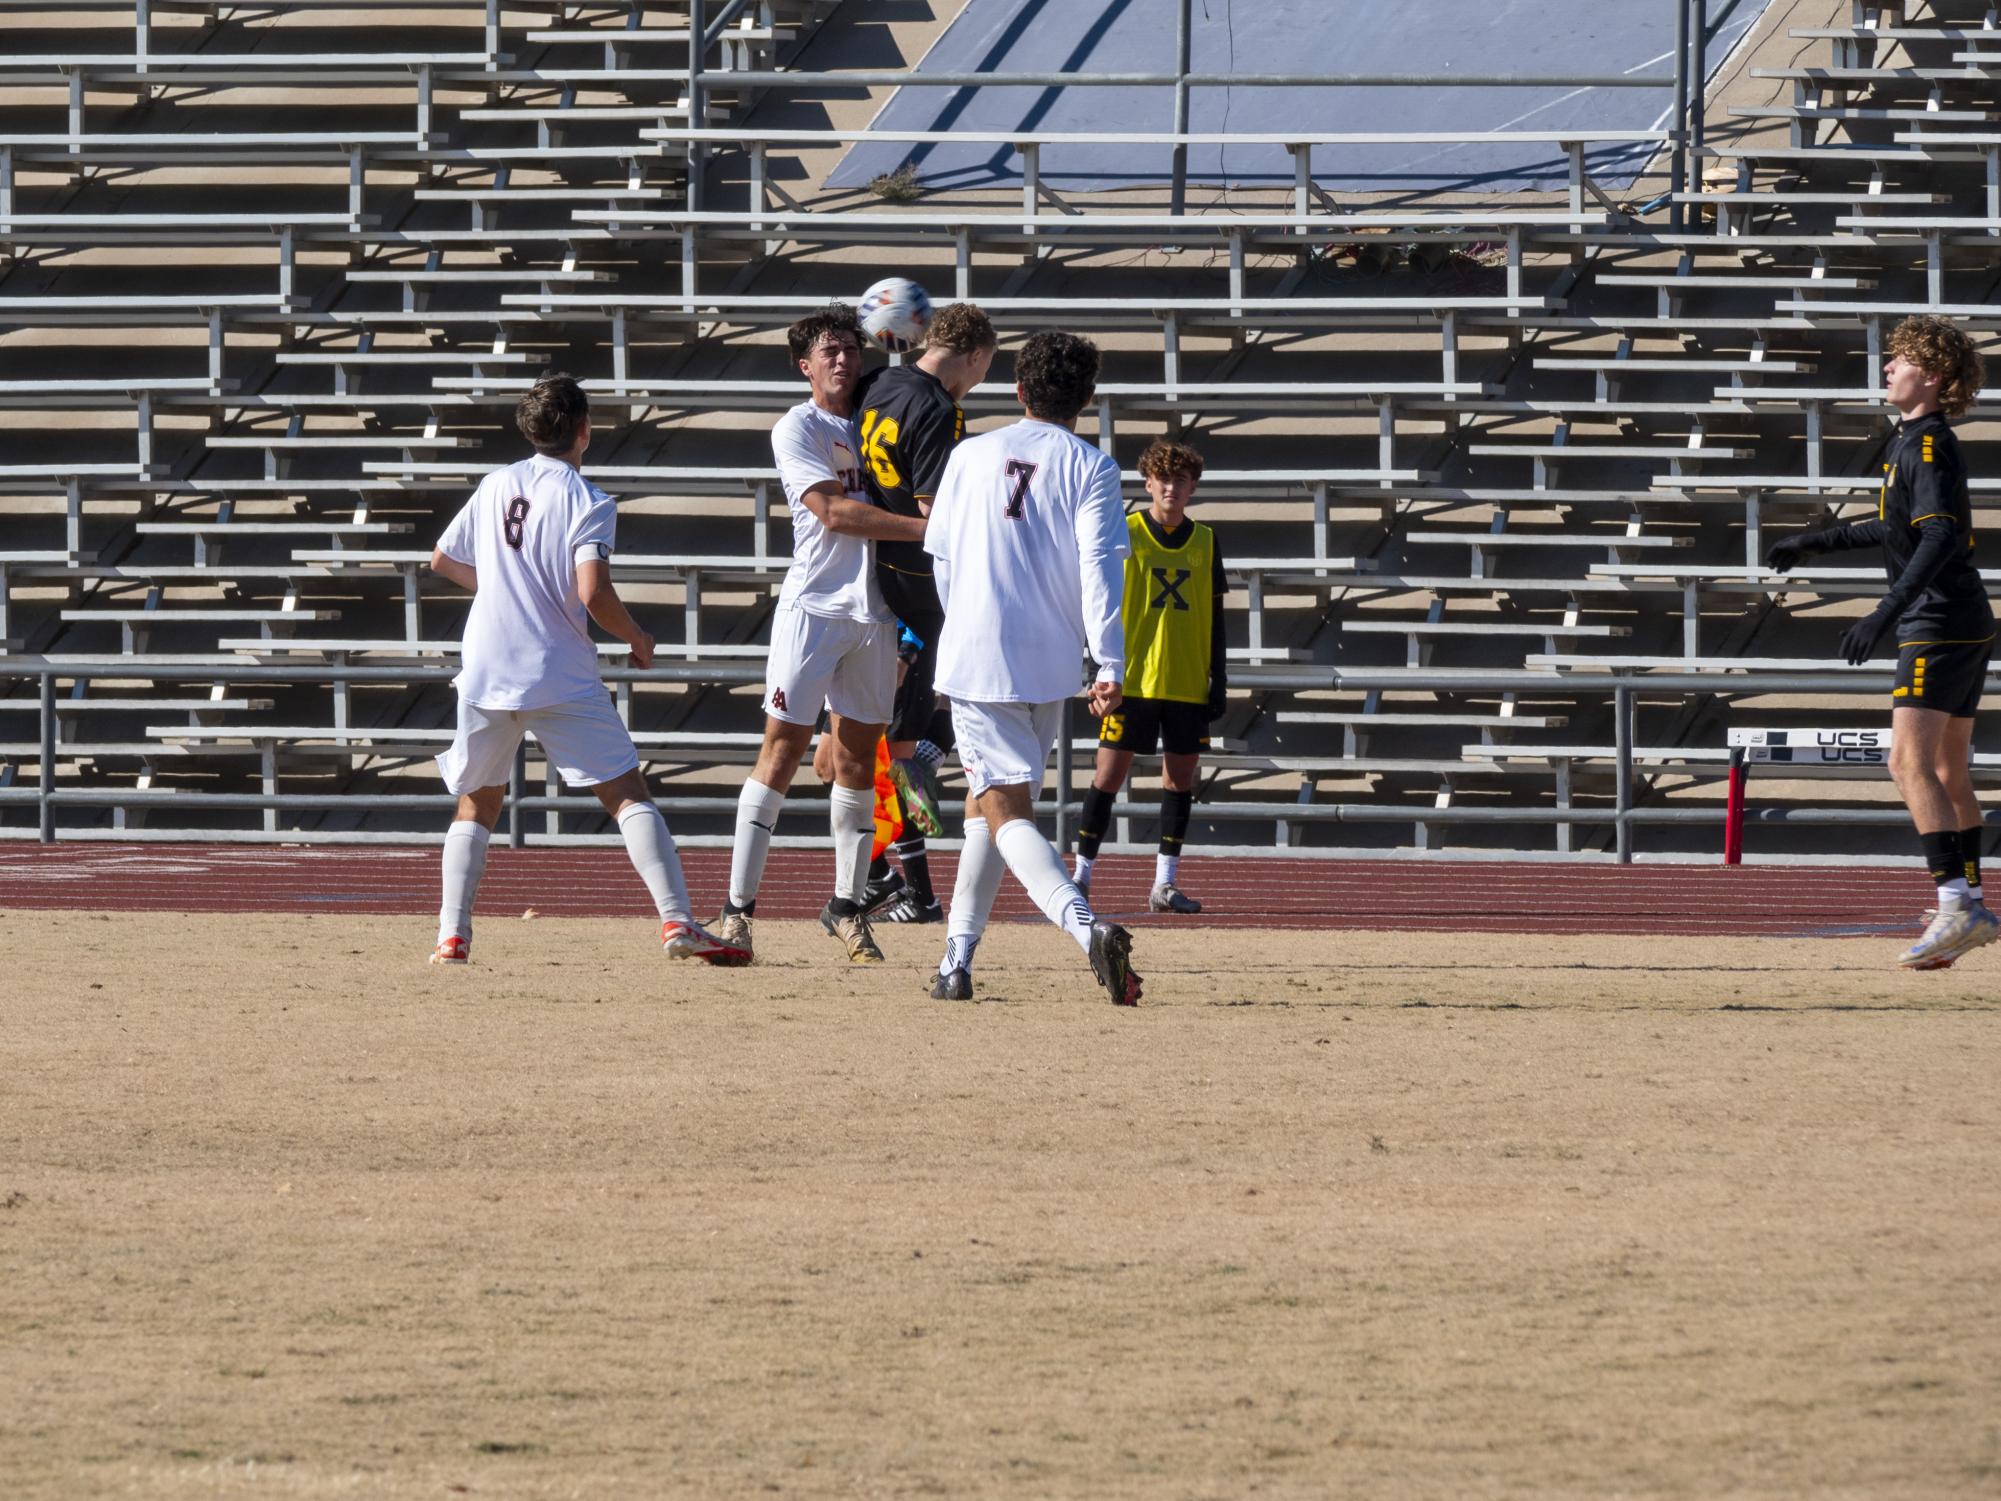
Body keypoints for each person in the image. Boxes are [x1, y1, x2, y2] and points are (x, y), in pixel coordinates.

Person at [426, 374, 745, 966]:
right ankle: (677, 921)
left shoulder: (496, 483)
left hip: (486, 665)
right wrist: (639, 637)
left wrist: (503, 588)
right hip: (555, 669)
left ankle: (452, 936)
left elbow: (444, 559)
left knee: (477, 802)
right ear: (584, 431)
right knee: (626, 793)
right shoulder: (586, 498)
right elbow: (593, 592)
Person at [1765, 314, 1994, 968]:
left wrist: (1884, 612)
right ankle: (1968, 898)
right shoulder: (1911, 442)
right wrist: (1814, 540)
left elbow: (1936, 536)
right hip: (1961, 617)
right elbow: (1894, 526)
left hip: (1937, 621)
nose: (1887, 367)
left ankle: (1956, 906)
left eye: (1899, 359)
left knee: (1906, 763)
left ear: (1934, 376)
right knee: (1947, 767)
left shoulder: (1926, 446)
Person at [922, 330, 1142, 1006]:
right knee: (991, 806)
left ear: (1018, 390)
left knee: (1004, 809)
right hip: (1048, 662)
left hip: (978, 653)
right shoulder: (1092, 466)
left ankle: (1088, 929)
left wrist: (962, 627)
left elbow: (943, 558)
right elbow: (1101, 568)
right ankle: (955, 960)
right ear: (1087, 398)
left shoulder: (970, 454)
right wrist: (1109, 659)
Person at [712, 306, 930, 965]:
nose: (841, 359)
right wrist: (929, 531)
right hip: (813, 608)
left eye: (848, 348)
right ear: (803, 365)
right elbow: (832, 512)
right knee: (780, 751)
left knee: (862, 759)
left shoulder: (878, 422)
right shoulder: (797, 425)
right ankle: (736, 911)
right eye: (828, 350)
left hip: (875, 613)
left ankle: (844, 906)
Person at [853, 303, 999, 921]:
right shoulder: (939, 407)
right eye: (985, 366)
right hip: (925, 586)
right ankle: (919, 890)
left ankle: (912, 884)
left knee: (873, 748)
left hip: (881, 575)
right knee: (899, 748)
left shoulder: (880, 382)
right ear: (973, 355)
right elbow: (937, 516)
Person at [1070, 438, 1229, 914]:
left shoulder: (1205, 540)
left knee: (1179, 781)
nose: (1171, 488)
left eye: (1180, 481)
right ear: (1148, 483)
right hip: (1133, 680)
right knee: (1106, 776)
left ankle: (1164, 883)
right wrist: (1099, 664)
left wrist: (1218, 679)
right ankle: (1080, 877)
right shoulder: (1127, 532)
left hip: (1184, 681)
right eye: (1163, 479)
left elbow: (1216, 618)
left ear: (1192, 487)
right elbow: (1097, 599)